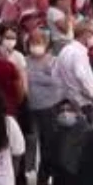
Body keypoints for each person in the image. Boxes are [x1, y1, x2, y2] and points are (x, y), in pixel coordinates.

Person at [24, 28, 62, 175]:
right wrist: (41, 76)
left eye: (39, 42)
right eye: (33, 42)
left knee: (48, 140)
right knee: (30, 138)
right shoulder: (24, 60)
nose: (36, 45)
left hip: (49, 106)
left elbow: (55, 81)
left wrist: (31, 77)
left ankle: (48, 171)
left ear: (46, 44)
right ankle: (29, 168)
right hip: (29, 106)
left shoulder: (53, 61)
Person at [53, 18, 93, 123]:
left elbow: (55, 74)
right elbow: (82, 76)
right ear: (85, 34)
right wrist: (91, 94)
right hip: (83, 103)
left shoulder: (65, 50)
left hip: (66, 100)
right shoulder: (79, 54)